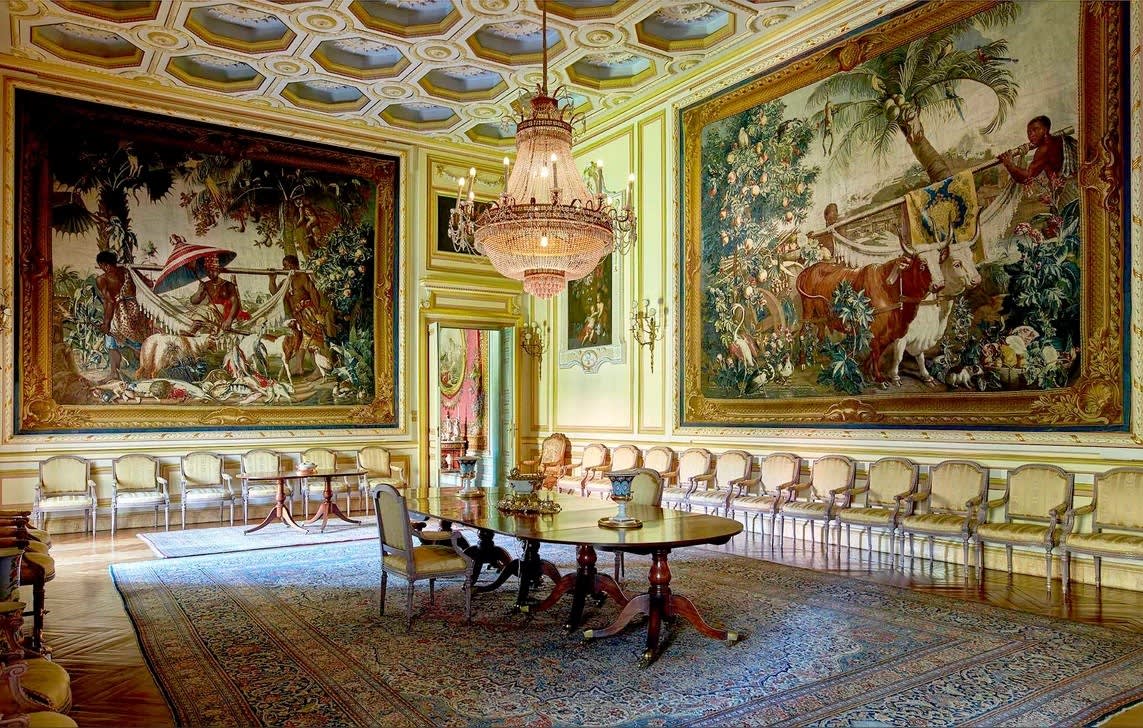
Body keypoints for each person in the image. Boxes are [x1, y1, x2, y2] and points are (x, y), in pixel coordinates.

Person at [269, 254, 334, 375]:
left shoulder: (302, 277)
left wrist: (317, 311)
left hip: (308, 313)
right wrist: (272, 279)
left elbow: (313, 292)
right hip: (297, 316)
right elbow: (275, 294)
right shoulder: (285, 282)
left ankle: (319, 370)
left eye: (287, 266)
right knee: (301, 341)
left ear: (294, 266)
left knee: (313, 341)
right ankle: (299, 367)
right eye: (284, 266)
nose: (284, 268)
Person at [96, 250, 150, 380]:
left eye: (101, 265)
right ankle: (146, 373)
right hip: (135, 311)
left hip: (119, 314)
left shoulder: (102, 279)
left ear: (104, 265)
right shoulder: (129, 271)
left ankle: (115, 372)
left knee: (111, 344)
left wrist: (106, 324)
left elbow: (110, 302)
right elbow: (149, 283)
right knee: (138, 343)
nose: (102, 268)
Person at [189, 253, 246, 335]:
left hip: (224, 313)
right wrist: (199, 292)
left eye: (213, 270)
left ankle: (194, 329)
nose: (210, 273)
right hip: (210, 314)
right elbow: (194, 301)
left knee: (205, 311)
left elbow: (235, 303)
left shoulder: (228, 285)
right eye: (208, 271)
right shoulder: (206, 285)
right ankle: (195, 327)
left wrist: (229, 320)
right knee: (203, 311)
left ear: (218, 270)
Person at [998, 115, 1064, 185]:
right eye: (1029, 132)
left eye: (1035, 130)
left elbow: (1027, 177)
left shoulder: (1044, 148)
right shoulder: (1056, 140)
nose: (1031, 135)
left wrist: (1010, 165)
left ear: (1045, 130)